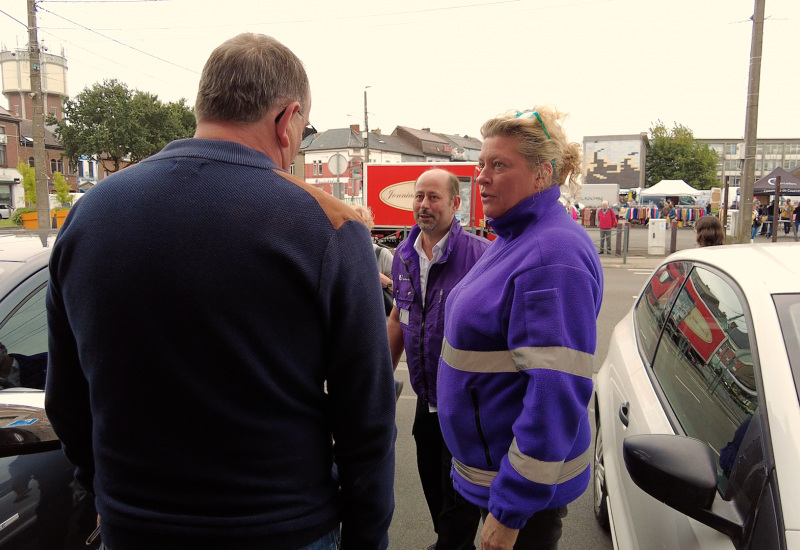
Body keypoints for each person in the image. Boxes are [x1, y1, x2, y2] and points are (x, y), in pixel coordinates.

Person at [45, 33, 395, 550]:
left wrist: (104, 489)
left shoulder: (89, 216)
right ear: (287, 118)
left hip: (135, 527)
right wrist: (368, 538)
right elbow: (367, 417)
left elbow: (67, 398)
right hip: (282, 528)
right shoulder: (329, 227)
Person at [437, 107, 603, 550]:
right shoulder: (515, 236)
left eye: (499, 165)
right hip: (494, 479)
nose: (482, 177)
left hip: (520, 501)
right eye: (481, 165)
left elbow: (556, 393)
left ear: (541, 173)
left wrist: (510, 511)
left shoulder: (552, 255)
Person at [387, 168, 488, 550]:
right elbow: (399, 315)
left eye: (433, 197)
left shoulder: (480, 256)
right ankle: (447, 540)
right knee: (432, 479)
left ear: (455, 204)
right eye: (418, 196)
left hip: (466, 401)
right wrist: (381, 377)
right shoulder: (403, 255)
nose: (424, 205)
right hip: (426, 398)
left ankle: (452, 544)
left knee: (460, 492)